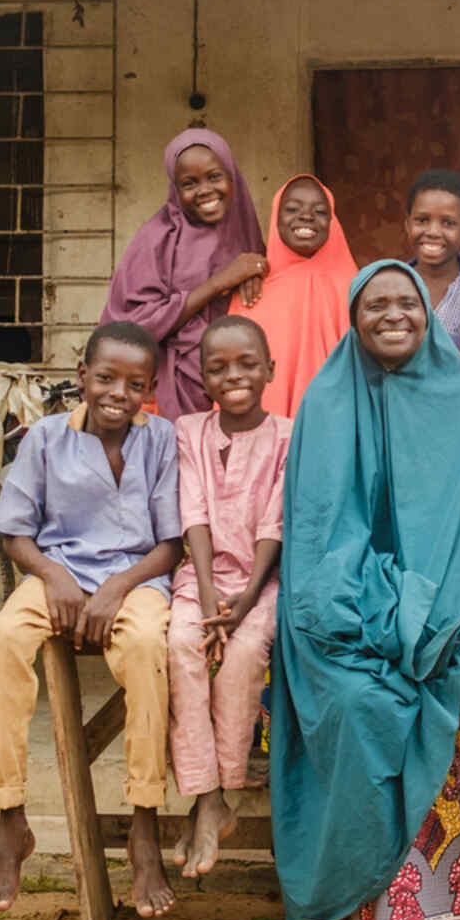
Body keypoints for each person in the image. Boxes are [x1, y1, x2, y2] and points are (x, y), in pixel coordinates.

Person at [269, 261, 460, 920]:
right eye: (374, 304)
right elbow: (322, 540)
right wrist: (387, 613)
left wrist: (437, 615)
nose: (392, 315)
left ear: (427, 312)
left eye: (406, 302)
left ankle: (445, 912)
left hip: (458, 608)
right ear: (352, 317)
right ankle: (372, 918)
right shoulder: (326, 401)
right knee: (359, 704)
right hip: (351, 615)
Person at [0, 321, 182, 918]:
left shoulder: (161, 439)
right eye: (106, 377)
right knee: (3, 641)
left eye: (134, 383)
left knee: (146, 647)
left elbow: (169, 545)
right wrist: (58, 579)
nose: (118, 392)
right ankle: (11, 820)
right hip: (58, 574)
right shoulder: (43, 438)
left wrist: (117, 587)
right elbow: (15, 532)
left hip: (136, 578)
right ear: (82, 377)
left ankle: (144, 827)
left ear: (151, 389)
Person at [168, 315, 293, 877]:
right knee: (180, 647)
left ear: (270, 369)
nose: (233, 375)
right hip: (201, 580)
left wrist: (240, 604)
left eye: (247, 363)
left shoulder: (290, 436)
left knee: (243, 656)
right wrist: (212, 590)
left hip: (262, 584)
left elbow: (274, 522)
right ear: (201, 379)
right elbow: (192, 513)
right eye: (217, 368)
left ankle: (221, 794)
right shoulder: (187, 430)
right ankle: (207, 797)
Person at [101, 128, 267, 422]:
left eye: (214, 177)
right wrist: (220, 282)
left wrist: (257, 269)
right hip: (172, 390)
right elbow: (132, 326)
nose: (204, 190)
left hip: (237, 386)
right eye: (189, 183)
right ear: (175, 190)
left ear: (232, 177)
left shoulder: (245, 233)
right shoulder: (157, 239)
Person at [228, 174, 357, 418]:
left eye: (319, 211)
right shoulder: (253, 290)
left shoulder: (354, 289)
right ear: (276, 216)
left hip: (336, 425)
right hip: (267, 437)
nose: (306, 216)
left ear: (333, 221)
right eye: (292, 208)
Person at [403, 169, 460, 351]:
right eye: (422, 220)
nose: (433, 232)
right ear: (408, 225)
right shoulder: (390, 282)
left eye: (448, 223)